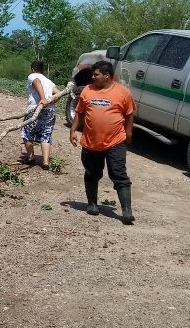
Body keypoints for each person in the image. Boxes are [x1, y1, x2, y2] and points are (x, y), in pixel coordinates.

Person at [69, 60, 135, 224]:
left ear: (107, 75)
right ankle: (92, 204)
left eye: (96, 74)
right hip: (91, 142)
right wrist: (73, 130)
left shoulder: (123, 92)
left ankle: (127, 211)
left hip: (116, 141)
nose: (93, 77)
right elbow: (80, 112)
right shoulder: (87, 90)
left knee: (119, 174)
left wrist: (128, 133)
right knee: (92, 173)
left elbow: (129, 114)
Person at [20, 60, 60, 169]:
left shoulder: (33, 76)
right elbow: (58, 93)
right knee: (46, 134)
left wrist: (42, 99)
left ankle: (31, 157)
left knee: (27, 132)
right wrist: (51, 101)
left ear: (32, 69)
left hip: (35, 109)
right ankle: (45, 162)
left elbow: (36, 81)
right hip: (49, 110)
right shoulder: (49, 81)